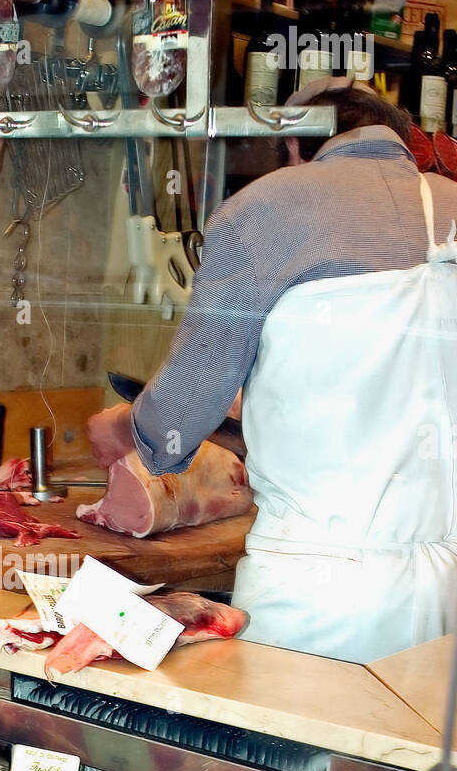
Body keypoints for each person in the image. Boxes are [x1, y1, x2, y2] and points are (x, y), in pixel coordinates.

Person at [89, 78, 457, 664]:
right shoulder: (449, 204)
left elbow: (180, 421)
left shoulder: (263, 209)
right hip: (445, 598)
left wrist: (129, 429)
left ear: (292, 144)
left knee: (296, 755)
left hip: (315, 591)